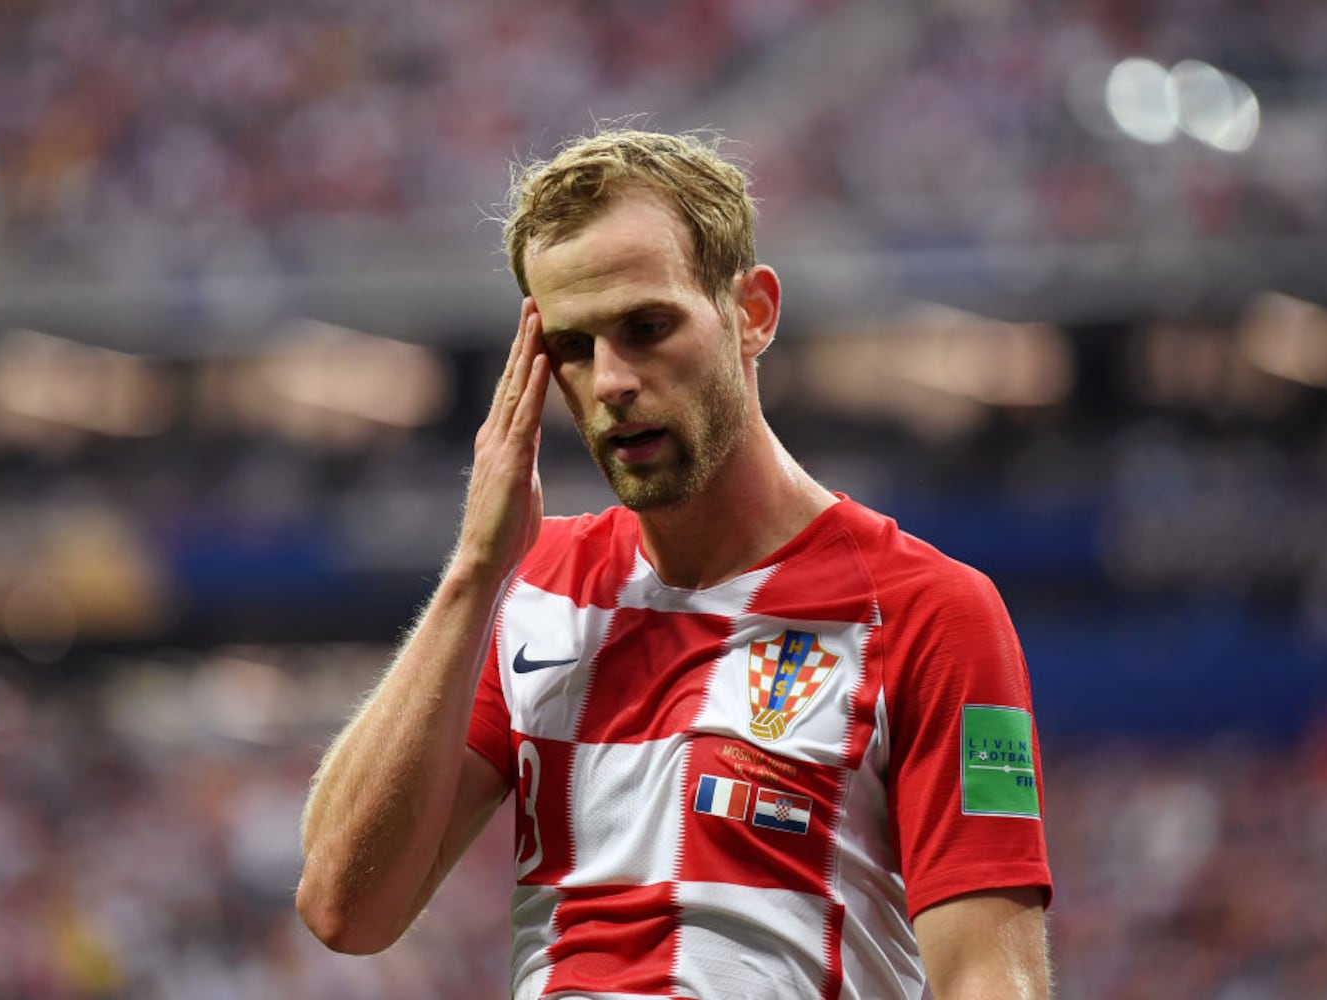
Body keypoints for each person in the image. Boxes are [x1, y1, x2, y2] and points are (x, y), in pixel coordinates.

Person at [296, 128, 1053, 999]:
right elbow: (344, 910)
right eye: (572, 348)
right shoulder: (531, 586)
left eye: (646, 327)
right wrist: (473, 570)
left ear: (753, 313)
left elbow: (989, 978)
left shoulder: (931, 610)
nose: (610, 379)